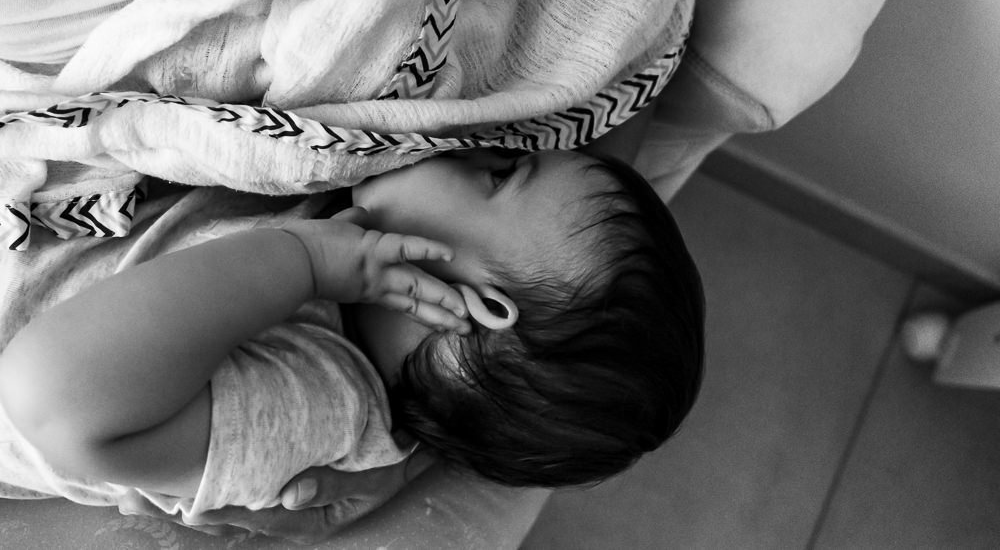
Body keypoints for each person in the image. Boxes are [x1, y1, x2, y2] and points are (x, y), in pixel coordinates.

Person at [0, 148, 705, 516]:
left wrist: (300, 263)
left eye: (501, 172)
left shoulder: (322, 402)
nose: (481, 144)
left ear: (477, 306)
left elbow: (51, 399)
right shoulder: (355, 246)